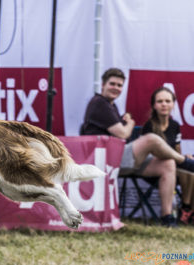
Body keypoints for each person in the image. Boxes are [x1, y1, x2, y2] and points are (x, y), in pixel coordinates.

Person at [81, 68, 194, 227]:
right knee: (151, 140)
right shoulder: (99, 103)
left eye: (120, 85)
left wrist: (123, 121)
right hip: (104, 160)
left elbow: (118, 131)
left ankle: (167, 217)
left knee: (167, 163)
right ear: (103, 85)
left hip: (116, 159)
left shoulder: (110, 105)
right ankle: (184, 163)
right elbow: (122, 134)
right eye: (112, 84)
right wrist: (131, 123)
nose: (116, 88)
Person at [142, 87, 194, 225]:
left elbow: (177, 152)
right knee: (187, 171)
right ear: (154, 105)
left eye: (167, 101)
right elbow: (148, 156)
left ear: (173, 104)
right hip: (156, 169)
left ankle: (186, 209)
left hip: (174, 166)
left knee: (189, 166)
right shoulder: (149, 126)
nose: (164, 104)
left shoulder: (175, 125)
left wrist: (185, 156)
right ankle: (186, 210)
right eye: (160, 101)